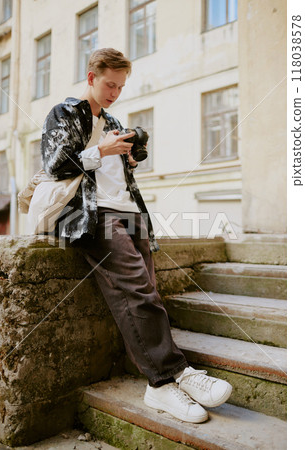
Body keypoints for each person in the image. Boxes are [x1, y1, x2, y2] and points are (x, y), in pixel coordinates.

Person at [41, 48, 232, 423]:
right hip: (88, 214)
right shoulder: (64, 113)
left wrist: (127, 158)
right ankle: (171, 377)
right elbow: (56, 165)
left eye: (121, 86)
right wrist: (102, 149)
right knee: (136, 288)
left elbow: (117, 175)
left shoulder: (111, 118)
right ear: (92, 77)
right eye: (110, 84)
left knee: (145, 287)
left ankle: (158, 382)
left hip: (128, 211)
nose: (115, 93)